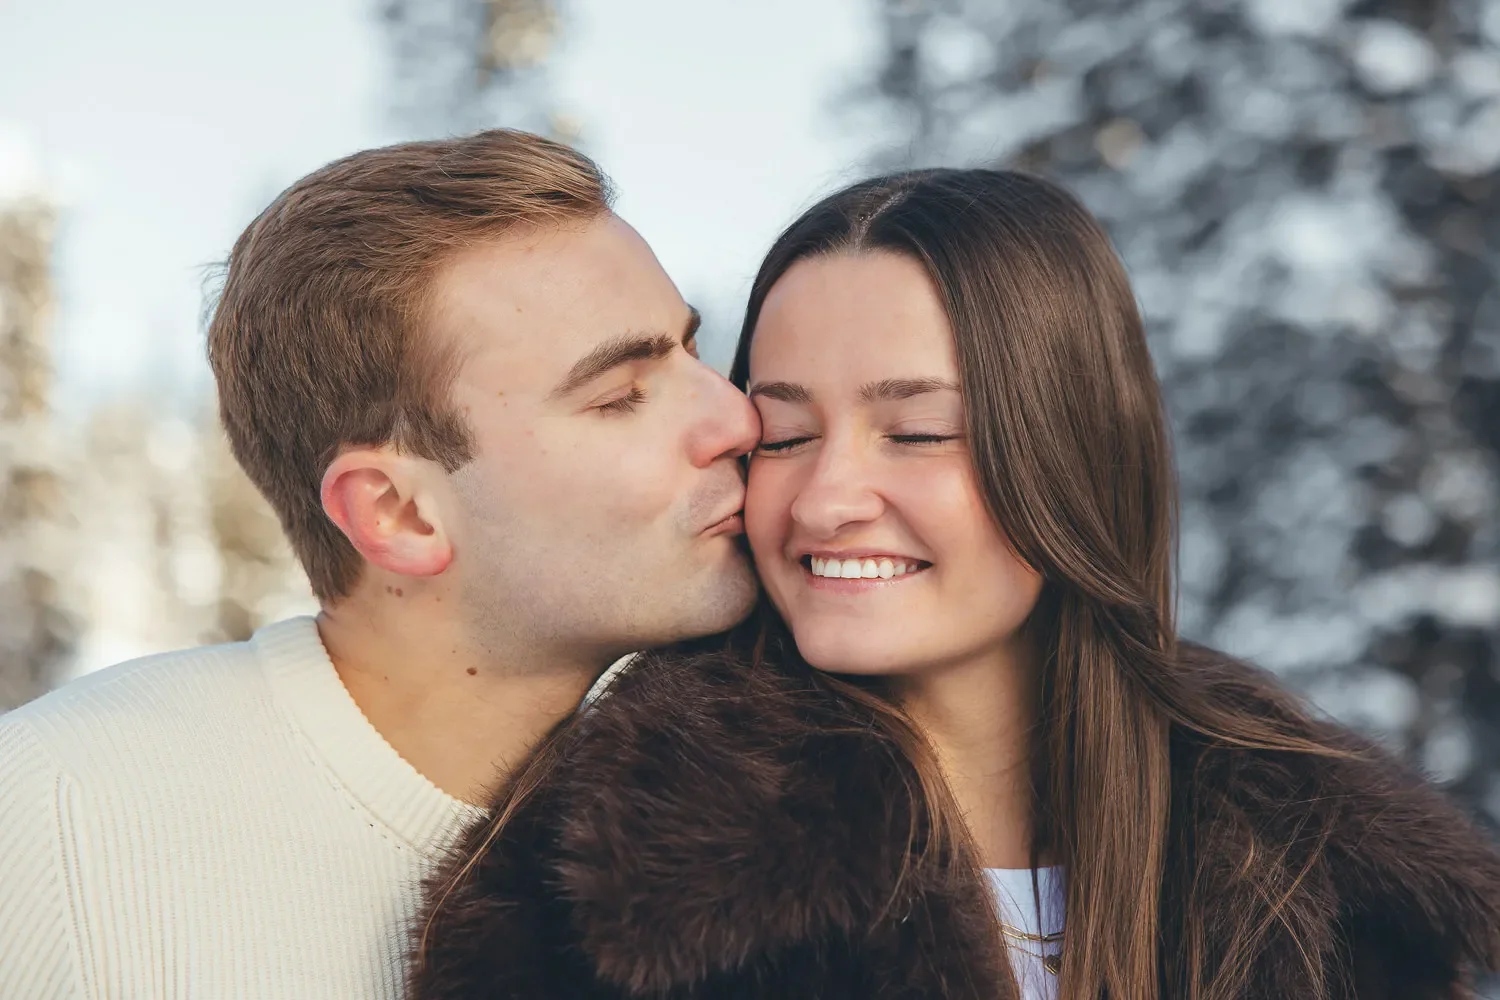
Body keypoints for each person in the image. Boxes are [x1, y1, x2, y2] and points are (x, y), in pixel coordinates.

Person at [412, 168, 1500, 1000]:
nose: (827, 498)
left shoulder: (1327, 880)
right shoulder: (614, 881)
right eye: (783, 434)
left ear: (1071, 453)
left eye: (918, 430)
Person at [0, 130, 759, 998]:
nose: (737, 419)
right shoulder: (50, 820)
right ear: (397, 513)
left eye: (693, 351)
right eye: (621, 396)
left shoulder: (763, 825)